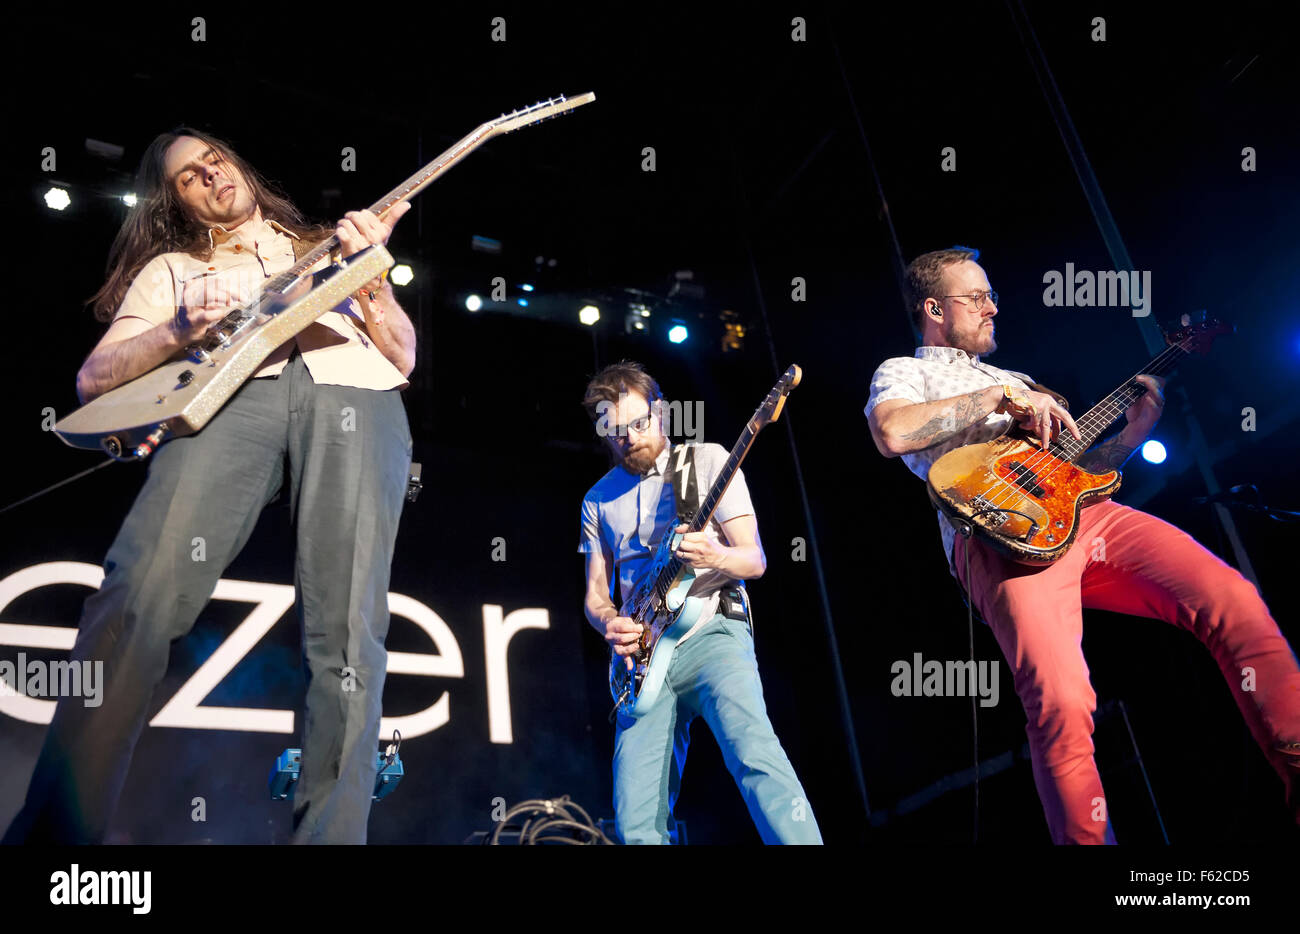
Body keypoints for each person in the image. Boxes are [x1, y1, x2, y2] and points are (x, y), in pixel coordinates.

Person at [3, 128, 416, 844]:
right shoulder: (171, 269)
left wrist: (370, 274)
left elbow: (404, 356)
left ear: (241, 165)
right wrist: (181, 325)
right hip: (230, 399)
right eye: (189, 176)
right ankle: (52, 840)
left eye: (215, 157)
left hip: (354, 392)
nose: (210, 173)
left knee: (349, 627)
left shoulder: (325, 241)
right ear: (181, 204)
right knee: (141, 589)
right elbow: (93, 379)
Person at [864, 245, 1300, 844]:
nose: (993, 307)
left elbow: (1075, 471)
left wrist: (1131, 436)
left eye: (993, 295)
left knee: (1231, 598)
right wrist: (997, 399)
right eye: (978, 297)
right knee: (1062, 703)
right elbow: (893, 432)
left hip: (1089, 516)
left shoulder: (1017, 378)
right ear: (935, 308)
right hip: (1000, 539)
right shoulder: (905, 372)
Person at [578, 361, 822, 844]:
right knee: (635, 815)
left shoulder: (705, 461)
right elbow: (595, 595)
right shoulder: (596, 500)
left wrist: (717, 554)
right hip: (642, 659)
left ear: (662, 414)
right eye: (616, 431)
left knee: (754, 754)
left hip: (712, 631)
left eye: (639, 424)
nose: (629, 438)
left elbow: (754, 561)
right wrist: (611, 623)